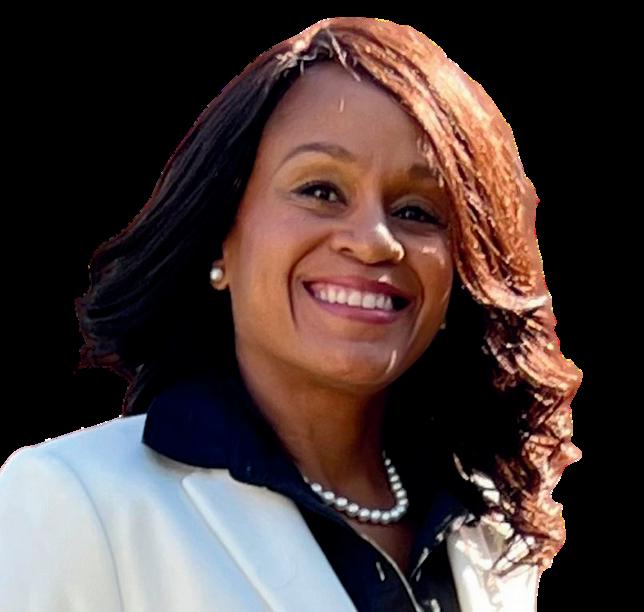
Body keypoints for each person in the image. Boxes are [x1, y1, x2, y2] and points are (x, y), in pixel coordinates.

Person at [0, 17, 582, 611]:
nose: (375, 241)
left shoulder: (495, 531)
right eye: (321, 191)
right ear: (221, 238)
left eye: (417, 211)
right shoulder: (78, 502)